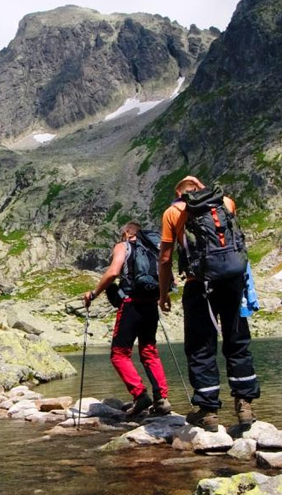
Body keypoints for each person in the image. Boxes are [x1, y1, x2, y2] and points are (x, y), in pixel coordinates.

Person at [157, 176, 260, 432]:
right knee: (237, 339)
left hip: (198, 283)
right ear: (201, 187)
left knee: (200, 345)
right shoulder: (226, 202)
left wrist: (163, 293)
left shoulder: (173, 212)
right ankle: (245, 404)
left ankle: (208, 410)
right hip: (232, 281)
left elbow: (166, 257)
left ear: (179, 193)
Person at [84, 222, 170, 417]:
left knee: (119, 354)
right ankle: (162, 399)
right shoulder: (152, 247)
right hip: (150, 304)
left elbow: (113, 272)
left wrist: (94, 293)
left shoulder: (123, 246)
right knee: (149, 351)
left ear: (125, 233)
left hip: (131, 304)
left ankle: (140, 395)